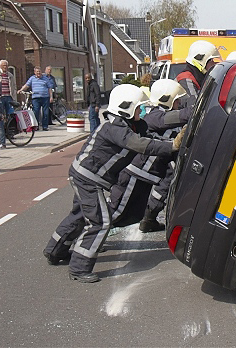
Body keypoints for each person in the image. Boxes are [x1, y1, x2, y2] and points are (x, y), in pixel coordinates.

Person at [43, 84, 186, 283]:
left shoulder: (125, 126)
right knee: (100, 221)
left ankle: (54, 251)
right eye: (138, 108)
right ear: (126, 107)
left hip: (85, 176)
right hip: (87, 179)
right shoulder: (114, 128)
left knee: (79, 215)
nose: (141, 111)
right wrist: (172, 145)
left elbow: (147, 137)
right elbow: (140, 144)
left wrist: (169, 143)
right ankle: (79, 268)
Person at [108, 79, 188, 233]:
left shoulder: (162, 115)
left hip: (150, 172)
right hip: (137, 172)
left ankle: (149, 220)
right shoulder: (156, 116)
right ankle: (87, 232)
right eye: (176, 100)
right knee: (117, 211)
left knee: (137, 208)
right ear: (168, 99)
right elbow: (183, 116)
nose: (179, 103)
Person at [18, 66, 53, 131]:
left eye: (39, 71)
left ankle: (45, 126)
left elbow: (49, 88)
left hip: (45, 97)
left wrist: (51, 97)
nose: (38, 73)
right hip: (36, 98)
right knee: (35, 112)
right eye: (37, 72)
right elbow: (27, 85)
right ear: (34, 72)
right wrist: (21, 90)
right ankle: (36, 126)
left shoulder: (45, 79)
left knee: (45, 112)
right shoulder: (32, 78)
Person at [0, 60, 17, 148]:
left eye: (6, 65)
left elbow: (13, 87)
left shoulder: (10, 75)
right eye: (3, 65)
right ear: (0, 66)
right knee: (0, 118)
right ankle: (3, 142)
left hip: (9, 97)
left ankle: (10, 133)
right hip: (0, 98)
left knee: (11, 116)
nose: (5, 67)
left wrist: (14, 99)